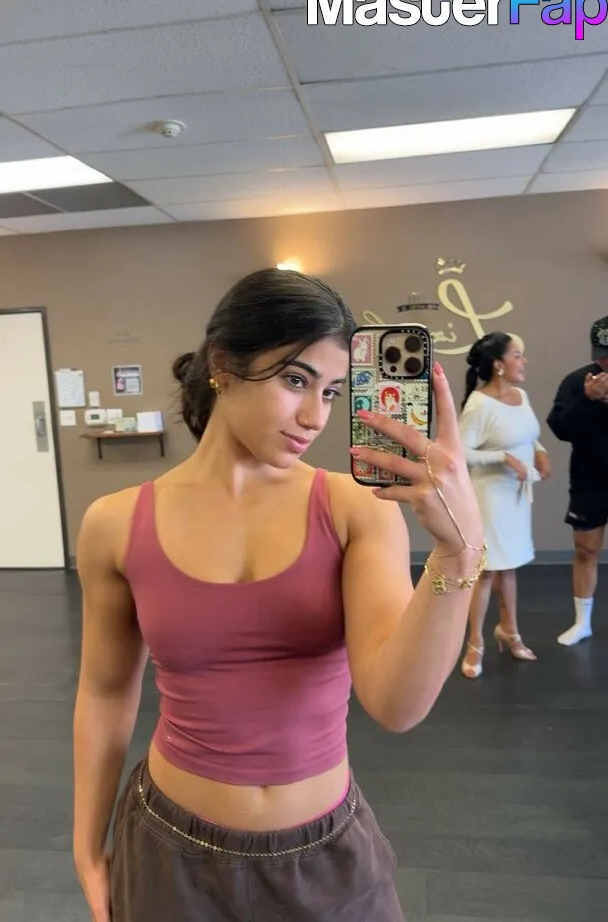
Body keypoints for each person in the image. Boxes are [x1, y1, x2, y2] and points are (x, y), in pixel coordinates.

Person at [72, 268, 484, 922]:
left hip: (324, 858)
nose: (316, 416)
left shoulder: (354, 508)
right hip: (168, 851)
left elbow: (396, 705)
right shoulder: (114, 523)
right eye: (295, 380)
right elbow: (103, 691)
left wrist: (458, 552)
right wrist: (86, 846)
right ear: (222, 367)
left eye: (332, 391)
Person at [457, 332, 551, 679]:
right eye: (517, 355)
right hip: (491, 498)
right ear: (498, 364)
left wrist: (540, 452)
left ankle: (509, 630)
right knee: (486, 570)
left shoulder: (520, 396)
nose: (524, 361)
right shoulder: (479, 404)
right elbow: (460, 451)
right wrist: (503, 458)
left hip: (516, 497)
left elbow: (527, 434)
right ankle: (475, 642)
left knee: (508, 566)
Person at [546, 316, 608, 645]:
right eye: (601, 355)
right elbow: (560, 428)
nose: (605, 362)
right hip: (589, 479)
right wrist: (587, 399)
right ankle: (582, 622)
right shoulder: (577, 381)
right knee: (586, 549)